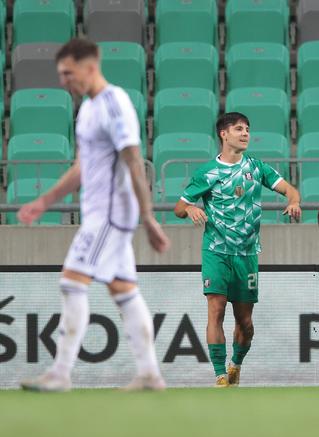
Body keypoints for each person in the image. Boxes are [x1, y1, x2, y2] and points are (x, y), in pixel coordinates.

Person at [18, 38, 170, 392]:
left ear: (90, 67)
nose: (63, 81)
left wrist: (147, 217)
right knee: (123, 290)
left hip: (110, 213)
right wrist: (46, 200)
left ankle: (60, 373)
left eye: (67, 73)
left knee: (71, 282)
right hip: (99, 212)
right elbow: (83, 166)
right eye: (60, 74)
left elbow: (133, 160)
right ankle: (149, 374)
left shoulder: (114, 103)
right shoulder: (87, 108)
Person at [174, 112, 301, 388]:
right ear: (224, 134)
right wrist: (193, 207)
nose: (245, 134)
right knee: (215, 309)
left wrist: (293, 202)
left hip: (247, 254)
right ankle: (220, 375)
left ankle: (235, 365)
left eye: (247, 129)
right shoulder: (207, 172)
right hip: (216, 251)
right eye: (239, 129)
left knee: (245, 323)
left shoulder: (257, 168)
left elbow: (291, 190)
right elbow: (179, 207)